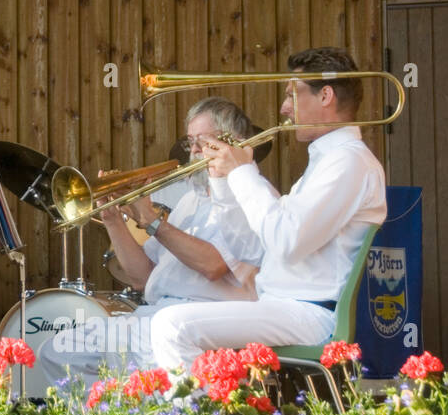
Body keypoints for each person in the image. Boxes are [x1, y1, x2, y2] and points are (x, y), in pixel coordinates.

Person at [150, 47, 387, 370]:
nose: (284, 108)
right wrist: (222, 179)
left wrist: (242, 172)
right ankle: (206, 414)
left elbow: (286, 242)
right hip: (283, 305)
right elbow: (251, 248)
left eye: (292, 94)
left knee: (171, 327)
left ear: (326, 96)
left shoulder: (348, 160)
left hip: (308, 311)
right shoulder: (329, 161)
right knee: (167, 325)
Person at [36, 98, 264, 381]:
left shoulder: (247, 197)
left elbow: (213, 265)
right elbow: (141, 277)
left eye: (202, 142)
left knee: (146, 386)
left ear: (233, 142)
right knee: (58, 353)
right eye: (190, 142)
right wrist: (113, 220)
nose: (193, 152)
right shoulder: (190, 200)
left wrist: (151, 221)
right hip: (156, 315)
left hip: (203, 321)